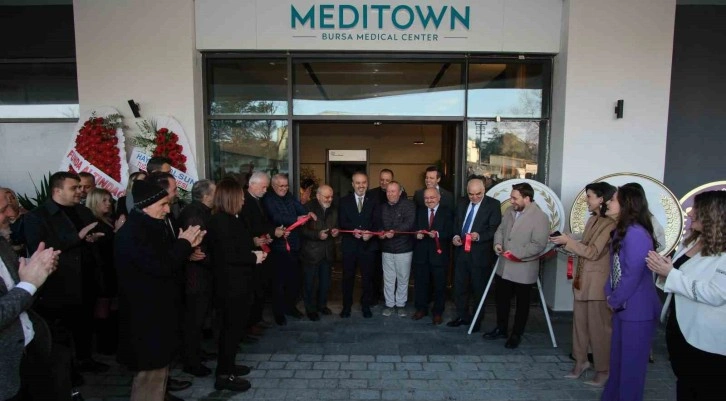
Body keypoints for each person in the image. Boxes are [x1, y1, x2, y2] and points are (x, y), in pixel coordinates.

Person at [115, 180, 204, 401]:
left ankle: (161, 395)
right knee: (150, 370)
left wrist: (187, 246)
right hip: (146, 314)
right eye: (162, 205)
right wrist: (184, 244)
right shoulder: (134, 233)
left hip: (158, 310)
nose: (167, 210)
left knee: (160, 364)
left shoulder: (150, 226)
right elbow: (161, 266)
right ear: (145, 205)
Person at [23, 172, 109, 380]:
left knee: (85, 323)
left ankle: (85, 359)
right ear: (57, 190)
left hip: (87, 277)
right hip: (60, 282)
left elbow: (91, 235)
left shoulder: (83, 211)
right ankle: (66, 372)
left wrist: (92, 238)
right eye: (74, 188)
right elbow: (40, 248)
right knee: (62, 331)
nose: (80, 191)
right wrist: (76, 237)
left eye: (80, 187)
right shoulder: (37, 216)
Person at [647, 190, 726, 401]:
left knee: (705, 389)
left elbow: (716, 294)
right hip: (680, 326)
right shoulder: (692, 241)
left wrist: (670, 273)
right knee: (684, 383)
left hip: (706, 337)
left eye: (696, 209)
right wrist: (663, 270)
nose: (690, 213)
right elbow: (676, 276)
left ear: (713, 215)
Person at [550, 182, 617, 387]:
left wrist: (568, 242)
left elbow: (593, 252)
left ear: (602, 199)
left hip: (597, 285)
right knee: (579, 327)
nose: (586, 200)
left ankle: (603, 370)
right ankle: (581, 362)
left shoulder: (611, 224)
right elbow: (584, 247)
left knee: (599, 330)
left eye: (589, 196)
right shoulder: (592, 220)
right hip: (582, 281)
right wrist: (564, 242)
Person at [600, 185, 661, 401]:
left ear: (626, 204)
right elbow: (614, 270)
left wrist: (614, 299)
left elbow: (631, 274)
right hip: (623, 307)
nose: (608, 202)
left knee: (630, 371)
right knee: (618, 364)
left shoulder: (636, 233)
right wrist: (610, 293)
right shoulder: (622, 230)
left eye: (613, 199)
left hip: (637, 310)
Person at [1, 197, 64, 401]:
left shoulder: (2, 244)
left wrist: (39, 270)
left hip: (31, 349)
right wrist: (29, 283)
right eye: (3, 210)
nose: (12, 215)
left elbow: (22, 294)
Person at [206, 178, 266, 392]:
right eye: (240, 197)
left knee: (234, 330)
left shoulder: (231, 219)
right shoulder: (221, 221)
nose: (243, 200)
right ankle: (224, 375)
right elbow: (228, 255)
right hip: (230, 286)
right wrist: (253, 257)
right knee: (229, 331)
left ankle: (229, 365)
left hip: (238, 284)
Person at [484, 182, 549, 349]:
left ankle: (516, 334)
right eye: (511, 197)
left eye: (515, 198)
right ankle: (501, 328)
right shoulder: (509, 211)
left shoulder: (540, 217)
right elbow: (500, 230)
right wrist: (498, 244)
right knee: (501, 300)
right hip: (504, 267)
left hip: (523, 269)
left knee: (522, 305)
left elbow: (538, 244)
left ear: (527, 198)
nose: (511, 201)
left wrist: (514, 253)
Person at [448, 178, 501, 331]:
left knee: (479, 288)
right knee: (460, 287)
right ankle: (462, 316)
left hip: (480, 254)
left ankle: (477, 320)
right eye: (471, 194)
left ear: (484, 190)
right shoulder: (462, 202)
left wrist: (479, 236)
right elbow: (456, 222)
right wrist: (455, 236)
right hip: (461, 252)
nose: (475, 197)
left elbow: (495, 229)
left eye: (478, 194)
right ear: (467, 192)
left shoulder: (493, 204)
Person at [262, 174, 316, 326]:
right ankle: (278, 313)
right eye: (281, 186)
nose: (284, 188)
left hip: (294, 245)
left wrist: (306, 214)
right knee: (278, 282)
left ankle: (290, 307)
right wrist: (296, 219)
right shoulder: (268, 199)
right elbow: (276, 217)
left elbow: (300, 208)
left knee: (294, 280)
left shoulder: (290, 196)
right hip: (278, 247)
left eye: (286, 185)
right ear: (273, 186)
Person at [177, 180, 216, 377]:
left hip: (202, 274)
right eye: (215, 192)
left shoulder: (202, 211)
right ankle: (191, 361)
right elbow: (198, 248)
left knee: (199, 319)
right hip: (196, 277)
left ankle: (197, 353)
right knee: (194, 319)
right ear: (206, 196)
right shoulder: (194, 214)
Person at [240, 172, 284, 330]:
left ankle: (257, 320)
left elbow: (263, 223)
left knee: (261, 287)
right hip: (250, 253)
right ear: (252, 184)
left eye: (266, 187)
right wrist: (258, 238)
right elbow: (246, 227)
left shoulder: (259, 200)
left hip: (262, 248)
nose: (266, 190)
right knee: (253, 290)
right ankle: (251, 324)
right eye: (263, 187)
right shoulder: (244, 201)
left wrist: (268, 235)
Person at [85, 188, 123, 355]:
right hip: (101, 271)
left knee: (113, 306)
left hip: (112, 268)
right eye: (104, 201)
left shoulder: (108, 220)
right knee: (103, 307)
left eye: (110, 200)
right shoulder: (93, 223)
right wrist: (117, 231)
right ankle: (104, 345)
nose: (108, 204)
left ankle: (112, 342)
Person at [338, 172, 379, 318]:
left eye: (364, 182)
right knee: (347, 278)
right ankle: (346, 307)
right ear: (352, 184)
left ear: (367, 183)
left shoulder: (374, 200)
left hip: (368, 246)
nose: (361, 186)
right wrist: (352, 230)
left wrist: (371, 233)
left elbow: (377, 222)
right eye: (358, 183)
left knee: (367, 278)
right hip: (350, 246)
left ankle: (366, 306)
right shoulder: (344, 201)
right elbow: (342, 221)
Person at [412, 187, 453, 325]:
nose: (429, 201)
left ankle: (437, 312)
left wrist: (438, 234)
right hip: (421, 255)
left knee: (439, 286)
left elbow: (451, 231)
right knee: (421, 284)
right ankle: (421, 309)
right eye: (426, 198)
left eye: (432, 198)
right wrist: (416, 234)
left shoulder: (447, 212)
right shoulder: (419, 211)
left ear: (439, 197)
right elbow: (413, 228)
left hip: (439, 256)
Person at [367, 169, 407, 304]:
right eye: (382, 180)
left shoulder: (401, 194)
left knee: (395, 274)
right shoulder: (371, 193)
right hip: (375, 238)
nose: (384, 182)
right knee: (375, 270)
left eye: (387, 180)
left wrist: (393, 231)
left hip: (393, 241)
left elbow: (402, 215)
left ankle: (393, 299)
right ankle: (375, 296)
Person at [300, 185, 338, 321]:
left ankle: (322, 305)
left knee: (325, 283)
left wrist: (336, 231)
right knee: (310, 283)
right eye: (327, 197)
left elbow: (337, 226)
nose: (330, 199)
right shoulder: (308, 207)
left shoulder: (334, 208)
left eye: (331, 196)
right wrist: (317, 235)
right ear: (318, 196)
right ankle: (311, 310)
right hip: (311, 252)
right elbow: (302, 230)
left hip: (327, 252)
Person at [379, 181, 416, 317]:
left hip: (404, 248)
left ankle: (400, 304)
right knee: (388, 279)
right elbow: (378, 224)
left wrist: (394, 232)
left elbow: (409, 223)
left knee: (403, 278)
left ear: (400, 192)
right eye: (388, 191)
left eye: (393, 191)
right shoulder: (382, 207)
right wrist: (381, 232)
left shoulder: (409, 205)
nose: (390, 194)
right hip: (387, 248)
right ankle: (389, 304)